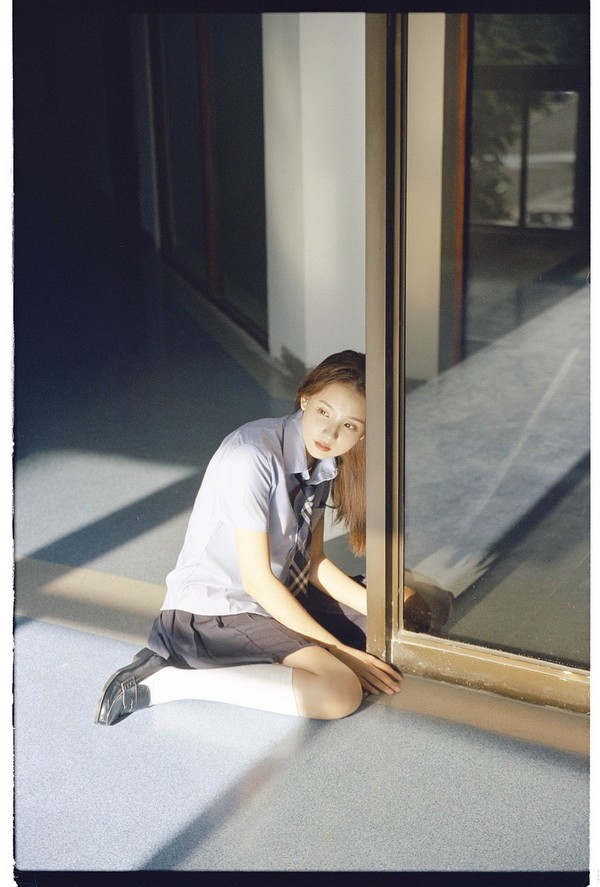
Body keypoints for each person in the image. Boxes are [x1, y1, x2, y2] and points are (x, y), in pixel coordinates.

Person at [94, 350, 441, 726]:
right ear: (305, 398)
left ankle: (291, 653)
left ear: (363, 432)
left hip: (282, 597)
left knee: (411, 615)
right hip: (217, 613)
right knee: (340, 691)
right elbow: (257, 582)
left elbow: (314, 563)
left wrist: (385, 613)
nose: (330, 433)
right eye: (324, 412)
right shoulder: (253, 456)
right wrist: (338, 651)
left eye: (350, 425)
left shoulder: (322, 463)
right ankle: (174, 678)